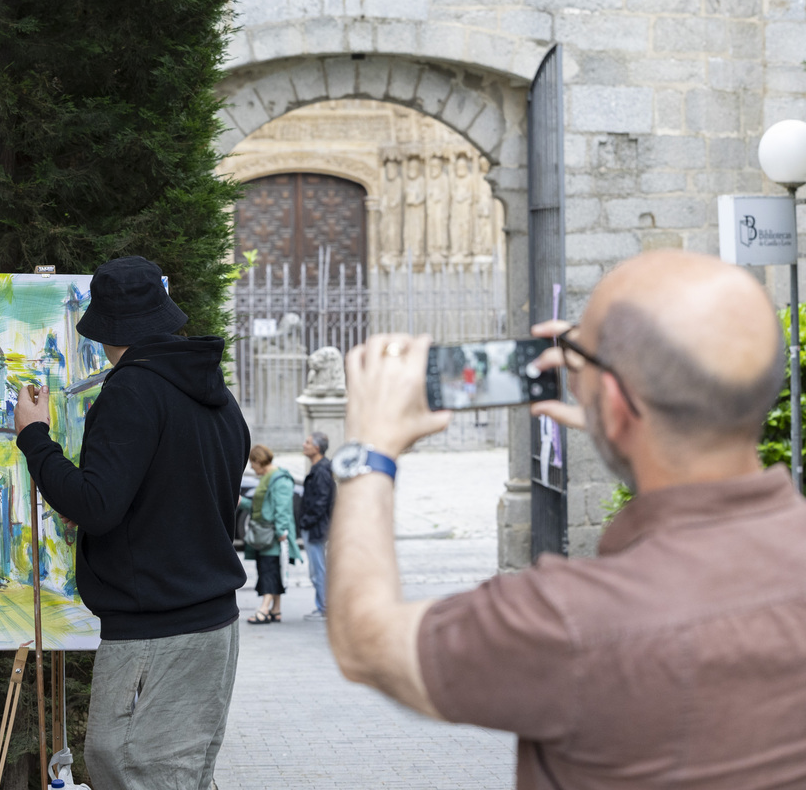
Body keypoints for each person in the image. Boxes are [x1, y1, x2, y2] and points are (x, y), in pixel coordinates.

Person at [327, 250, 806, 789]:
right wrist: (626, 425)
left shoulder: (571, 620)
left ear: (618, 401)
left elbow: (366, 642)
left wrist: (369, 449)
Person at [13, 255, 249, 790]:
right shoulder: (215, 395)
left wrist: (35, 437)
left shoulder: (132, 392)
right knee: (173, 771)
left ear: (104, 332)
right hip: (211, 619)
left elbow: (97, 504)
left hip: (157, 626)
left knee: (128, 764)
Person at [239, 444, 300, 624]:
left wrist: (281, 532)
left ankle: (264, 609)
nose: (251, 467)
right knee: (273, 569)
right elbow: (262, 507)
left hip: (271, 536)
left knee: (269, 571)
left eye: (252, 463)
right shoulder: (268, 477)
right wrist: (242, 502)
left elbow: (282, 509)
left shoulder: (279, 479)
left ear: (259, 461)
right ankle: (276, 609)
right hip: (265, 535)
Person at [298, 432, 334, 621]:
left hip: (316, 528)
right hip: (315, 526)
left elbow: (321, 501)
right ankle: (322, 606)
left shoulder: (321, 470)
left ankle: (325, 608)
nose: (304, 445)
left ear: (317, 448)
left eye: (308, 442)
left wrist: (306, 521)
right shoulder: (320, 468)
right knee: (317, 569)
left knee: (317, 569)